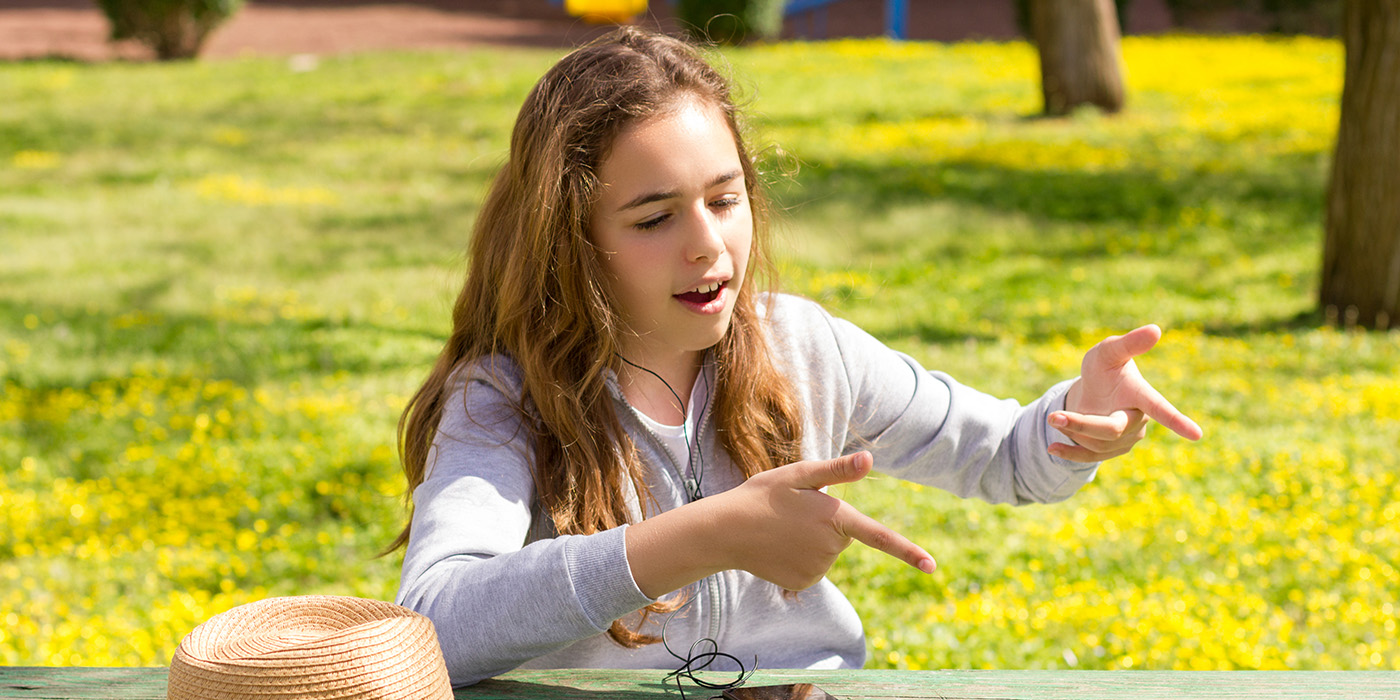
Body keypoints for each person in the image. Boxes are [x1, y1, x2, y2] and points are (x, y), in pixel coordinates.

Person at [390, 26, 1202, 688]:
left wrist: (1079, 415)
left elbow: (1007, 458)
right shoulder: (504, 400)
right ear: (572, 240)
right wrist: (705, 536)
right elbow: (438, 625)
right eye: (652, 219)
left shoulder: (803, 347)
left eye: (724, 197)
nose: (708, 245)